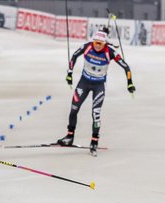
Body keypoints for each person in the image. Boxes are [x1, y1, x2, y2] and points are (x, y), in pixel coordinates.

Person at [58, 27, 135, 156]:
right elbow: (74, 56)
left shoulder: (110, 52)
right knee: (73, 109)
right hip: (84, 82)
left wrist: (130, 83)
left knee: (96, 114)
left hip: (99, 86)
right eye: (95, 43)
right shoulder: (87, 46)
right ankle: (69, 136)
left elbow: (126, 67)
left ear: (104, 43)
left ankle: (94, 141)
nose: (97, 46)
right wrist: (69, 73)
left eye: (100, 43)